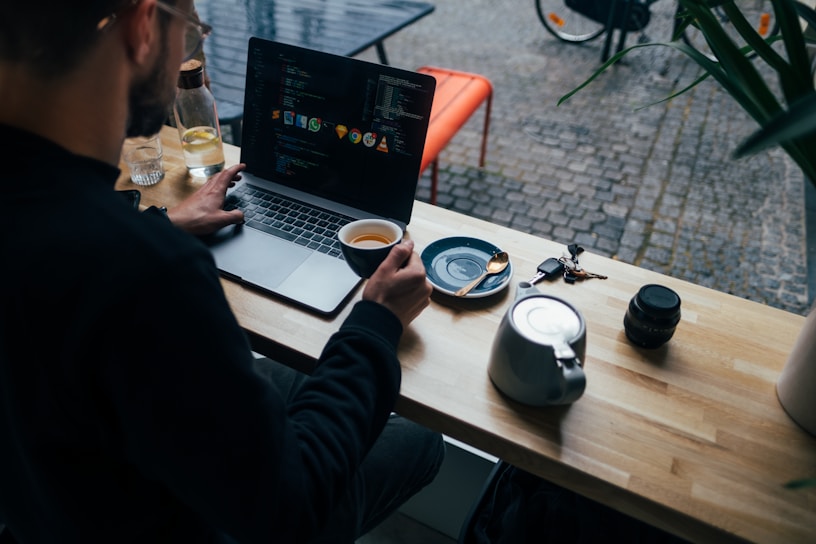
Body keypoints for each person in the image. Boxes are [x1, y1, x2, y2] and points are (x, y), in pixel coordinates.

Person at [0, 1, 444, 542]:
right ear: (143, 28)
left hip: (55, 506)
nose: (188, 55)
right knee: (421, 439)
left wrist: (164, 226)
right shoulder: (146, 275)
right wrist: (376, 323)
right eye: (189, 34)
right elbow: (289, 507)